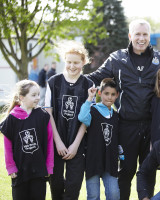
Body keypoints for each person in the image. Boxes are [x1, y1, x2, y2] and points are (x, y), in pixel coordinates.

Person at [86, 19, 160, 200]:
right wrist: (71, 78)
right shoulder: (117, 58)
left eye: (145, 34)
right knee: (126, 172)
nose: (141, 38)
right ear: (130, 36)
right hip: (125, 126)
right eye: (137, 34)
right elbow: (96, 76)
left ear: (149, 36)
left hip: (152, 127)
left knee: (149, 171)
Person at [45, 40, 94, 200]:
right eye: (69, 62)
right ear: (64, 61)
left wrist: (75, 145)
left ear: (83, 63)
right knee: (56, 187)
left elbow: (86, 119)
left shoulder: (88, 84)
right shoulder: (53, 82)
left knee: (73, 188)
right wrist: (58, 142)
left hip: (77, 144)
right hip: (56, 141)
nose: (72, 66)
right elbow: (49, 114)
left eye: (76, 63)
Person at [0, 80, 54, 200]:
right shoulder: (12, 118)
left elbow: (49, 141)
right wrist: (10, 167)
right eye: (33, 95)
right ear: (22, 97)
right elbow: (7, 146)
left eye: (38, 94)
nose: (37, 98)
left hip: (39, 169)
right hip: (20, 170)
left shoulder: (43, 116)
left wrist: (49, 166)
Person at [78, 78, 120, 200]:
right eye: (106, 93)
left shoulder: (116, 116)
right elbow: (82, 117)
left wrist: (121, 154)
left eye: (113, 94)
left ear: (117, 95)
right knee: (93, 195)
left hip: (110, 160)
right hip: (93, 159)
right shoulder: (93, 110)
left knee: (114, 194)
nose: (109, 97)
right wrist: (89, 98)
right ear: (100, 93)